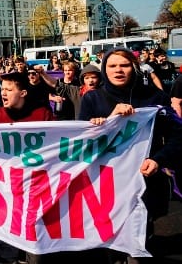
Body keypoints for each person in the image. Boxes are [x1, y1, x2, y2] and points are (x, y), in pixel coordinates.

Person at [78, 48, 182, 264]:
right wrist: (107, 121)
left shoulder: (156, 97)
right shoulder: (92, 99)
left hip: (143, 182)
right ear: (104, 70)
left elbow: (178, 136)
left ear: (134, 67)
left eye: (124, 65)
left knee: (139, 243)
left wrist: (159, 159)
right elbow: (82, 143)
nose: (118, 70)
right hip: (105, 185)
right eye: (112, 66)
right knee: (108, 245)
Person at [0, 71, 54, 264]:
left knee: (34, 235)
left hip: (36, 186)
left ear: (22, 93)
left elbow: (61, 141)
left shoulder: (43, 114)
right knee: (15, 231)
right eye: (2, 89)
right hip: (7, 187)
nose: (3, 93)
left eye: (9, 89)